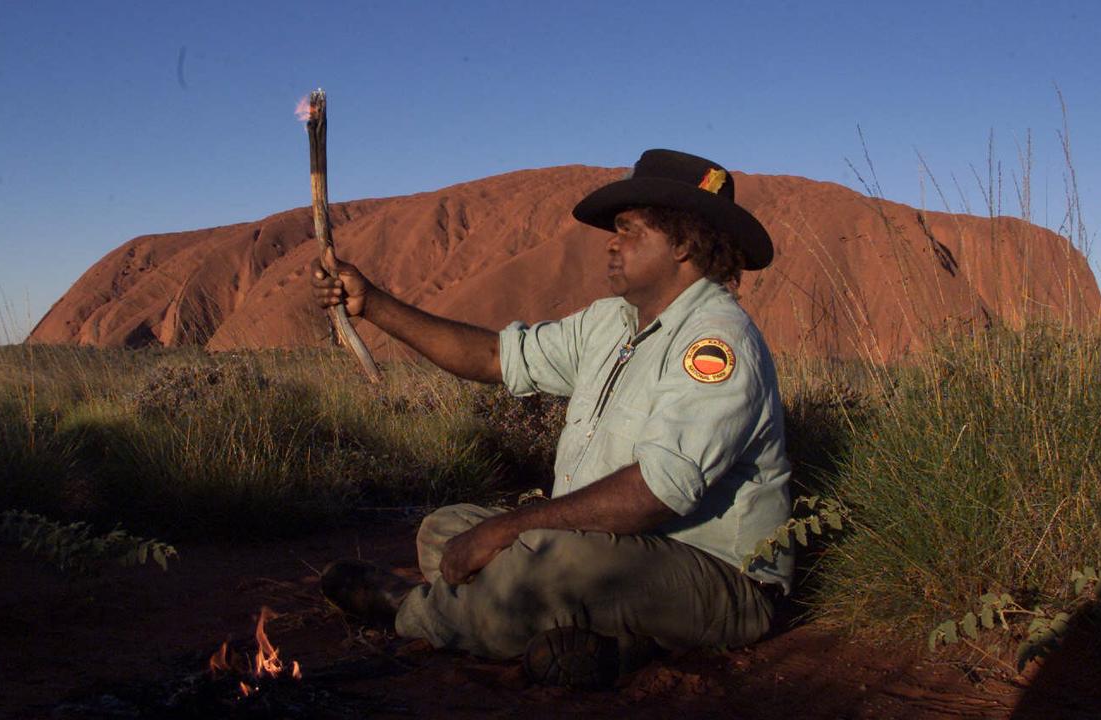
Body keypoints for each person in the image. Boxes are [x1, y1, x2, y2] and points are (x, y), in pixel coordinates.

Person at [311, 149, 793, 689]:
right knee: (445, 530)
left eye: (628, 229)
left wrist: (513, 526)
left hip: (717, 576)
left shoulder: (716, 341)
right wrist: (372, 304)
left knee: (537, 560)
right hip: (617, 550)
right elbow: (494, 357)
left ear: (682, 243)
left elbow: (656, 493)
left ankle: (413, 613)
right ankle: (614, 646)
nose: (611, 242)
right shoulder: (610, 324)